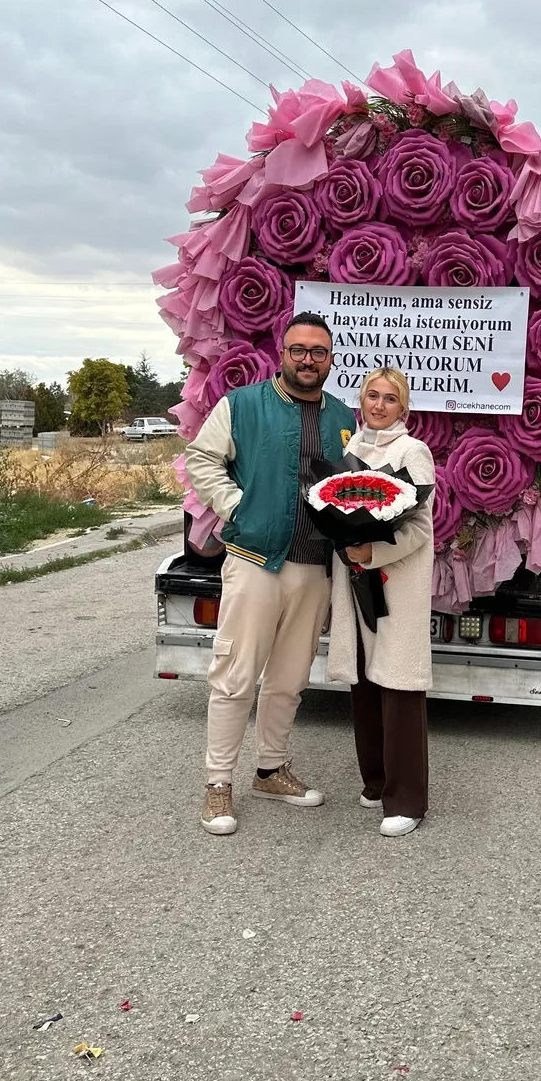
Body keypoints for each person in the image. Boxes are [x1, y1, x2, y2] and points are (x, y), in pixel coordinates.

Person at [183, 313, 353, 836]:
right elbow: (201, 459)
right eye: (299, 349)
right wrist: (238, 508)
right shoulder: (242, 405)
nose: (308, 359)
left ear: (330, 359)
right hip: (256, 560)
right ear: (282, 353)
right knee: (236, 675)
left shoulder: (342, 416)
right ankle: (217, 784)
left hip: (312, 566)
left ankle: (271, 770)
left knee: (289, 679)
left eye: (318, 351)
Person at [326, 368, 435, 837]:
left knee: (399, 686)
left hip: (394, 584)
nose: (379, 405)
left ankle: (407, 799)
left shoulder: (414, 452)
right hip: (354, 582)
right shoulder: (351, 451)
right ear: (361, 399)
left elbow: (420, 527)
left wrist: (375, 551)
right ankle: (376, 782)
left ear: (404, 408)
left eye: (390, 399)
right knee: (364, 683)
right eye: (372, 395)